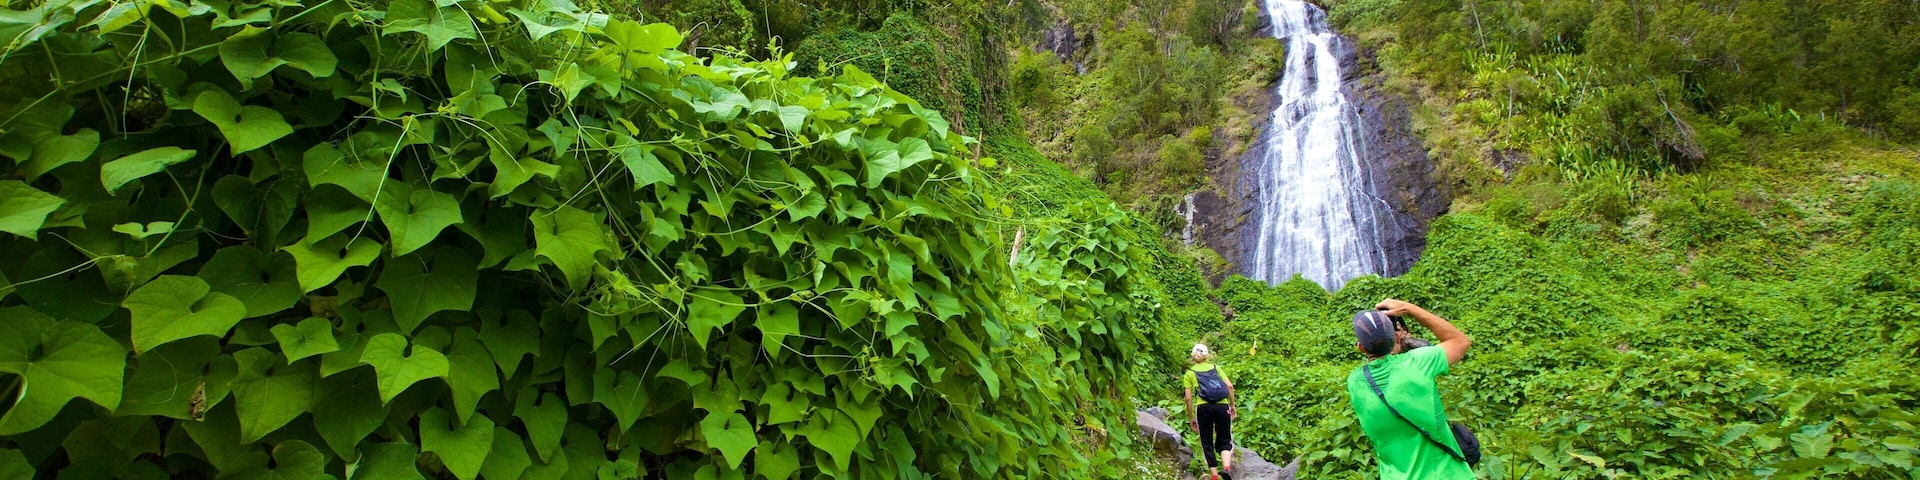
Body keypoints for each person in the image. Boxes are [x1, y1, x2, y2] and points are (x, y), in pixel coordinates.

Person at [1347, 299, 1474, 480]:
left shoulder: (1354, 382)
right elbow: (1460, 341)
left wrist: (1394, 344)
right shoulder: (1419, 363)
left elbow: (1386, 368)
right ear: (1397, 337)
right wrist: (1408, 309)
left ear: (1360, 347)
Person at [1183, 343, 1238, 480]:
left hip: (1203, 408)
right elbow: (1230, 386)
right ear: (1207, 356)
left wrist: (1191, 418)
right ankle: (1226, 468)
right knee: (1225, 438)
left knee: (1206, 441)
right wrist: (1232, 405)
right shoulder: (1216, 368)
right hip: (1222, 406)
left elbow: (1188, 398)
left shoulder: (1190, 373)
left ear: (1193, 355)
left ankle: (1214, 476)